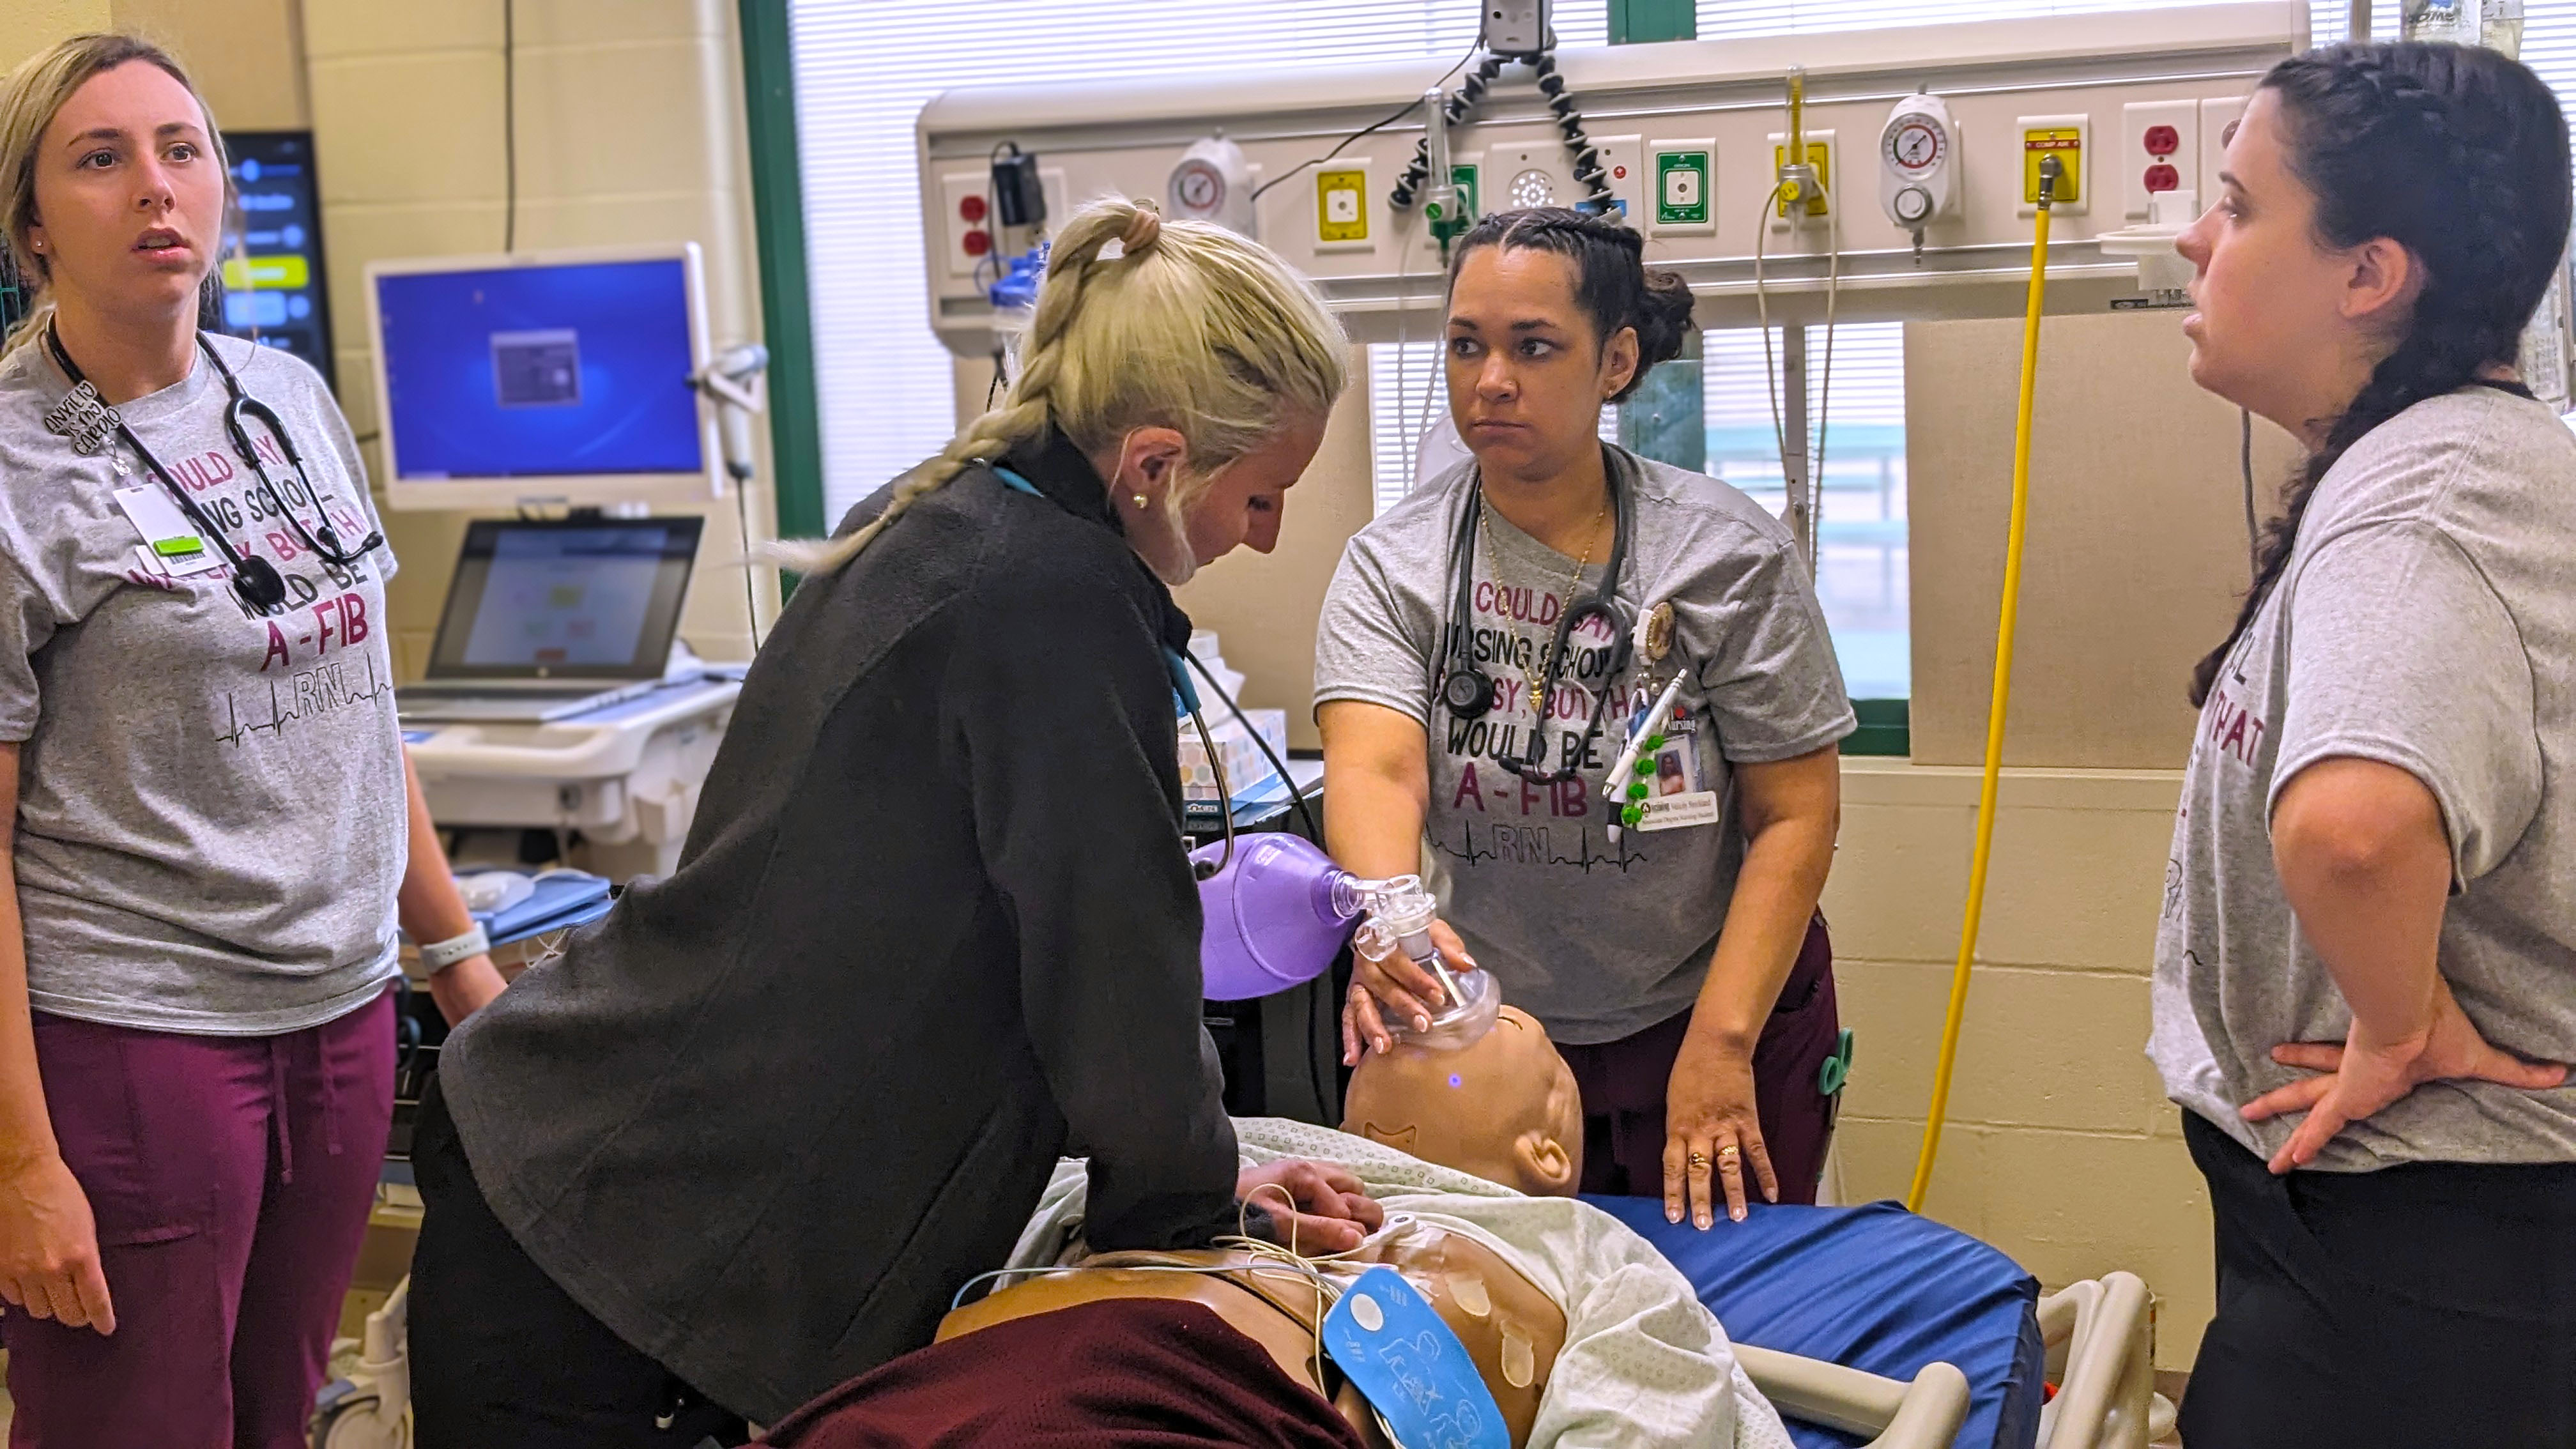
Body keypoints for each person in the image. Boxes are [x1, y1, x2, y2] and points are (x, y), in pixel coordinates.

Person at [407, 197, 1384, 1446]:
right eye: (1260, 497)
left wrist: (1199, 1173)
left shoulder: (957, 513)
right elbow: (1114, 971)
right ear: (1152, 463)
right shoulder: (1053, 601)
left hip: (590, 1149)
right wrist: (1186, 1214)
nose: (1270, 535)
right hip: (607, 1218)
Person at [0, 34, 505, 1448]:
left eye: (182, 150)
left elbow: (363, 717)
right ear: (33, 226)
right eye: (100, 160)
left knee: (278, 1412)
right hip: (137, 1033)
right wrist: (19, 1162)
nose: (156, 189)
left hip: (338, 1012)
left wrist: (464, 977)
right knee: (138, 1426)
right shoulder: (13, 468)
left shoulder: (282, 395)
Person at [2153, 41, 2576, 1446]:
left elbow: (2353, 826)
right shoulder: (2458, 462)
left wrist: (2402, 1028)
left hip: (2428, 1244)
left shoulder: (2423, 501)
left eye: (2239, 205)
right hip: (2409, 1238)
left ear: (2369, 275)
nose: (2193, 236)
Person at [1317, 208, 1851, 1232]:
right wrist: (1388, 918)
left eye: (1533, 347)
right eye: (1467, 345)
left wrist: (1722, 1045)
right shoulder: (1396, 566)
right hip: (1498, 1036)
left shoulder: (1722, 557)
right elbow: (1376, 768)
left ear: (1615, 361)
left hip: (1711, 1008)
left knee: (1724, 1315)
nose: (1491, 380)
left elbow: (1797, 815)